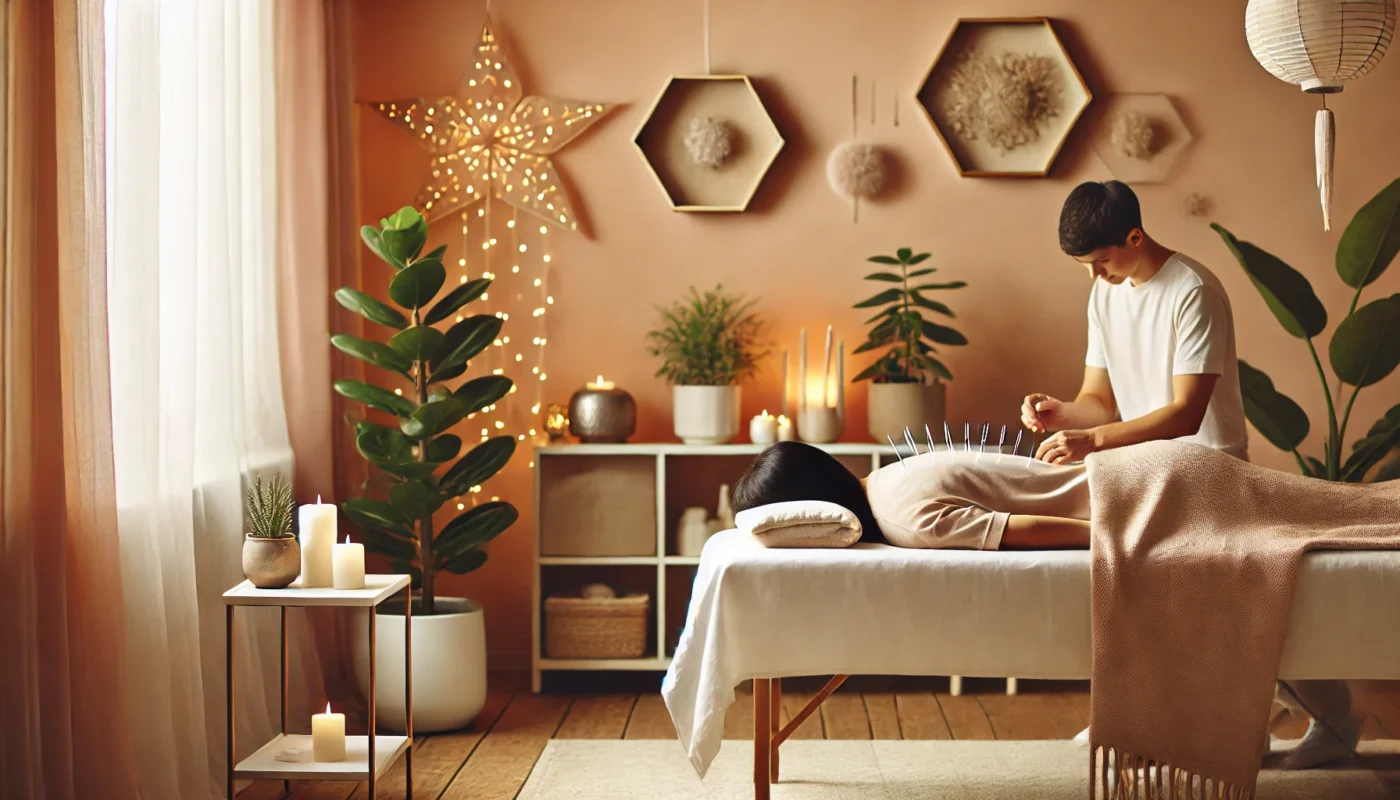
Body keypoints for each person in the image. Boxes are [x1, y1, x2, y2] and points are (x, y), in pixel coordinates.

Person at [732, 440, 1362, 769]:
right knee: (1342, 513)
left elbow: (1025, 528)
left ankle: (1332, 723)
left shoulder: (905, 518)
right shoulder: (895, 474)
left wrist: (1145, 539)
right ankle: (1329, 722)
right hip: (1157, 472)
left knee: (1355, 520)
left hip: (1159, 495)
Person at [1024, 180, 1249, 465]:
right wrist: (1060, 413)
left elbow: (1186, 415)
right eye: (1085, 264)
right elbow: (1100, 402)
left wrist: (1093, 440)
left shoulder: (1194, 290)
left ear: (1135, 237)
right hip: (1147, 465)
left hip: (1210, 467)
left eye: (1102, 259)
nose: (1094, 274)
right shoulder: (1104, 293)